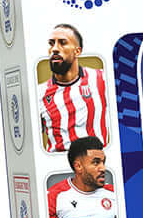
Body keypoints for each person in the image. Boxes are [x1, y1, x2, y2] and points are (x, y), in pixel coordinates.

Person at [48, 136, 118, 218]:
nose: (103, 168)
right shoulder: (55, 196)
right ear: (78, 166)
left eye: (103, 162)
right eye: (96, 163)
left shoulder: (114, 194)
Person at [38, 23, 108, 152]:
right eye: (51, 44)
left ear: (77, 51)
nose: (55, 49)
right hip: (57, 162)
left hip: (95, 161)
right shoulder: (39, 93)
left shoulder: (102, 79)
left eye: (63, 43)